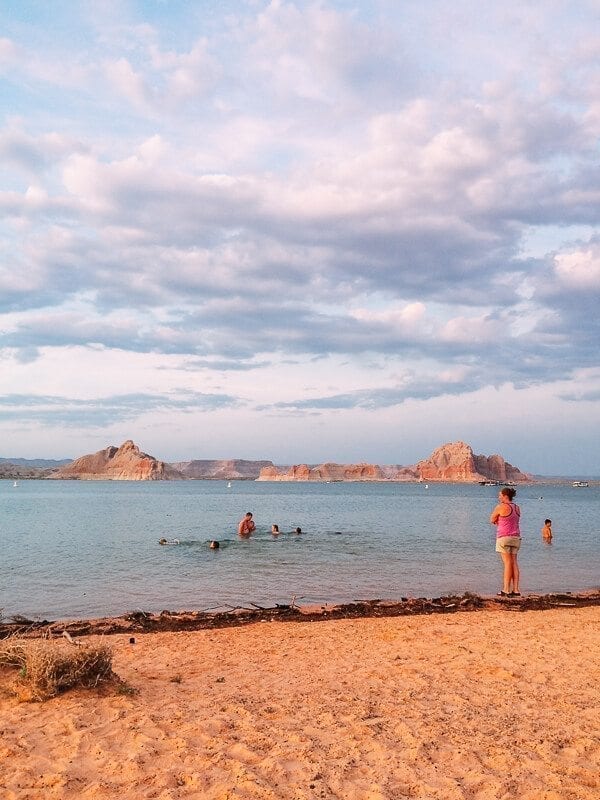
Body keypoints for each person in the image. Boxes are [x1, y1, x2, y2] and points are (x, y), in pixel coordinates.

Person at [490, 487, 521, 597]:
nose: (499, 497)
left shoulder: (500, 507)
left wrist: (498, 521)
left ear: (505, 496)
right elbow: (513, 520)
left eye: (500, 495)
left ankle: (506, 589)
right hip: (516, 537)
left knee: (507, 563)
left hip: (504, 537)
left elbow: (492, 519)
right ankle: (516, 590)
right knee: (514, 563)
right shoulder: (517, 508)